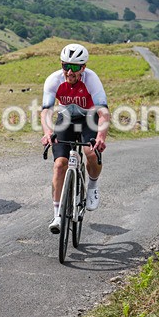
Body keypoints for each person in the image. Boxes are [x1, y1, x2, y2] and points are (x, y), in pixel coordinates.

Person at [41, 44, 109, 234]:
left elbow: (103, 111)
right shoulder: (53, 80)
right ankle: (57, 216)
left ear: (83, 68)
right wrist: (47, 132)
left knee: (90, 152)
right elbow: (46, 111)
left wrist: (101, 137)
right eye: (66, 66)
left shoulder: (92, 80)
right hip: (67, 118)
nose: (70, 72)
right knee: (60, 164)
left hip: (89, 118)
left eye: (76, 67)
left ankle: (92, 186)